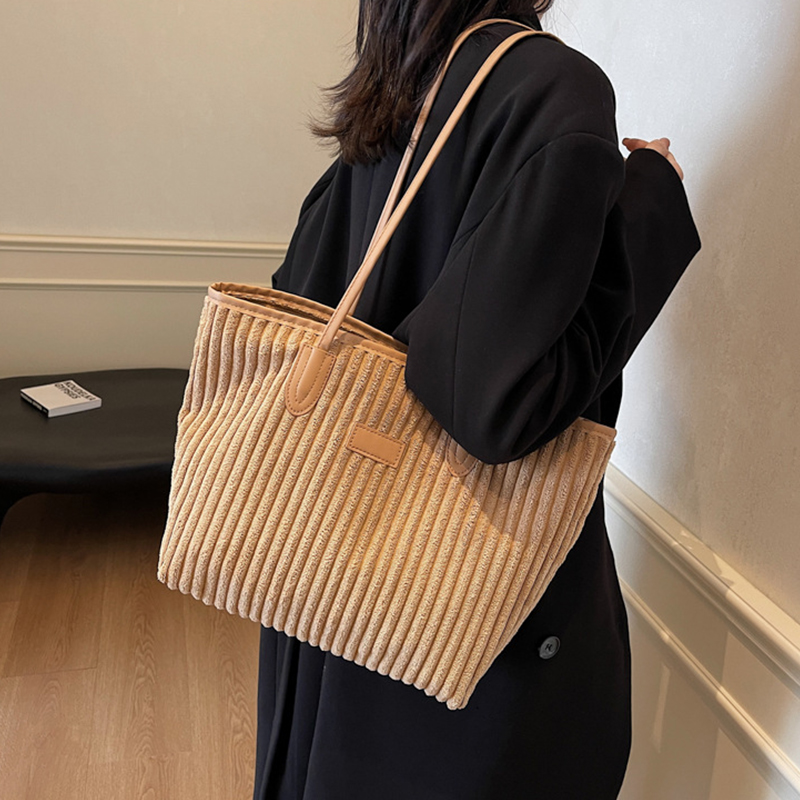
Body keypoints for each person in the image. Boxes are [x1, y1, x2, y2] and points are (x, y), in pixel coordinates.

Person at [253, 2, 701, 798]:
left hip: (329, 582)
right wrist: (650, 206)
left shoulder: (396, 79)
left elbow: (306, 289)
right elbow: (492, 402)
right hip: (460, 623)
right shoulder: (552, 88)